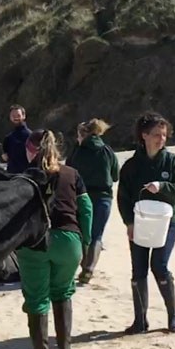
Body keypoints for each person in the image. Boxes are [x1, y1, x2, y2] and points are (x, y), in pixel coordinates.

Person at [16, 130, 93, 349]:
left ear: (31, 151)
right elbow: (87, 208)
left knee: (37, 299)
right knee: (63, 291)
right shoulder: (72, 173)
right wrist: (86, 240)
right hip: (69, 240)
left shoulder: (26, 177)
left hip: (37, 243)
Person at [116, 112, 175, 334]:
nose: (161, 139)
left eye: (164, 135)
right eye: (156, 134)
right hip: (140, 223)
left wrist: (163, 186)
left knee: (159, 265)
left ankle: (173, 315)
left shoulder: (172, 162)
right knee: (138, 270)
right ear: (144, 135)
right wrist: (129, 223)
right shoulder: (131, 165)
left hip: (167, 222)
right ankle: (140, 320)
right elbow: (123, 197)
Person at [67, 118, 119, 284]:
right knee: (97, 235)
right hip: (103, 196)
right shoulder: (107, 150)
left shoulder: (77, 151)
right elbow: (115, 175)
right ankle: (89, 269)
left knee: (82, 232)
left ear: (82, 135)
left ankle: (82, 264)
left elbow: (68, 172)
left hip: (81, 196)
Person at [2, 105, 32, 174]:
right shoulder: (8, 138)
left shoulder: (31, 136)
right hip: (11, 175)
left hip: (27, 176)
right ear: (10, 117)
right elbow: (5, 157)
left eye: (18, 115)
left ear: (24, 116)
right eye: (13, 115)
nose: (15, 117)